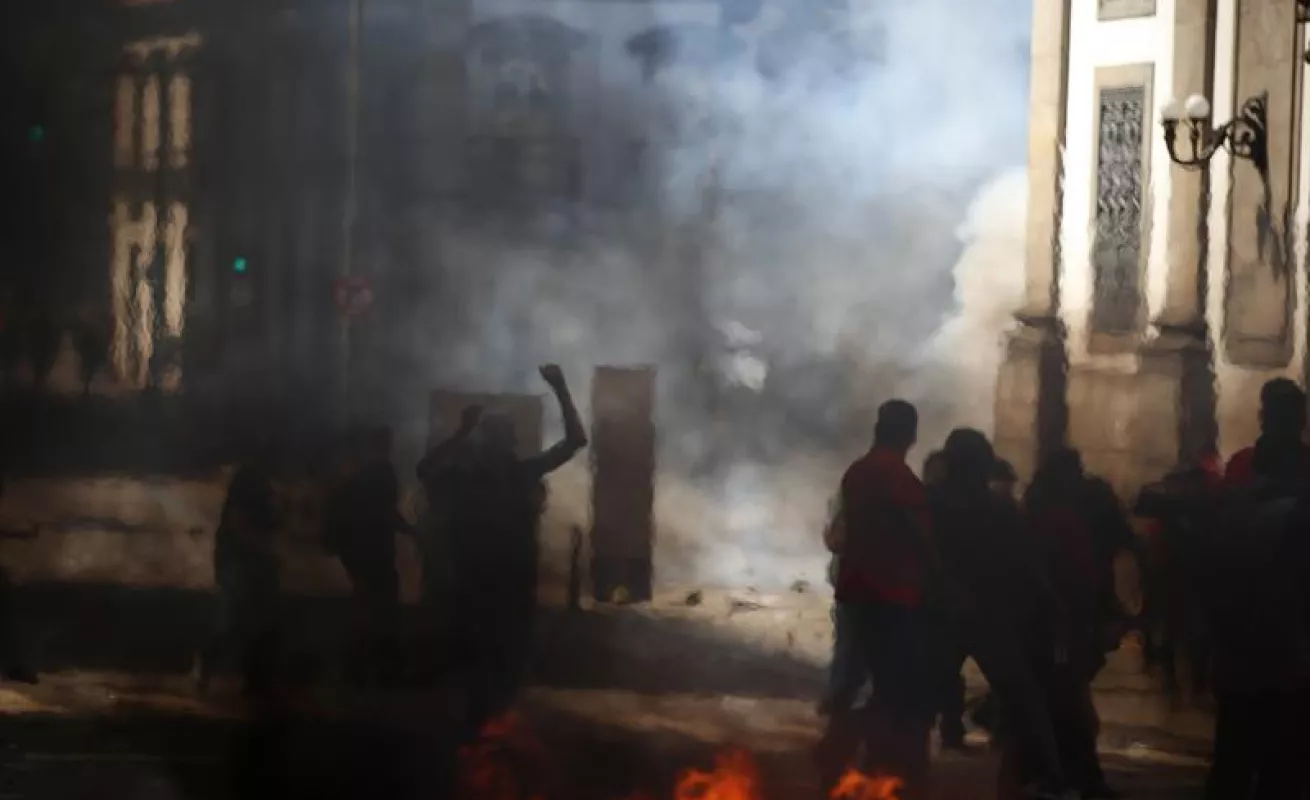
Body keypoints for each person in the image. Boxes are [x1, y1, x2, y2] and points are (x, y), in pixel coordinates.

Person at [422, 365, 588, 736]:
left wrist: (562, 388)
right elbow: (425, 471)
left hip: (502, 588)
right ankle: (478, 741)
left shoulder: (507, 476)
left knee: (500, 669)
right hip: (481, 588)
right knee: (483, 669)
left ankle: (487, 742)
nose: (497, 448)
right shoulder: (483, 477)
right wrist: (461, 433)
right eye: (492, 439)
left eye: (499, 439)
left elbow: (576, 441)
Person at [931, 429, 1072, 800]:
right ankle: (1051, 777)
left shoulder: (930, 504)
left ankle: (885, 770)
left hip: (943, 614)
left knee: (914, 698)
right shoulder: (998, 509)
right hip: (987, 614)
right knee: (1023, 699)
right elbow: (1028, 566)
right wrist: (1051, 604)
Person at [816, 400, 940, 800]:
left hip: (855, 589)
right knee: (893, 685)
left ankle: (835, 758)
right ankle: (880, 766)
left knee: (850, 676)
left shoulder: (857, 472)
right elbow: (919, 535)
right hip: (893, 595)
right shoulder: (900, 478)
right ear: (910, 434)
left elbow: (839, 530)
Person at [1202, 378, 1310, 799]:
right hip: (1285, 645)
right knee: (1282, 766)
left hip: (1241, 640)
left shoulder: (1243, 477)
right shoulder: (1292, 487)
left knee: (1234, 756)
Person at [1024, 449, 1121, 799]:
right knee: (1069, 701)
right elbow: (1075, 573)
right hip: (1062, 623)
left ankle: (1060, 774)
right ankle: (1071, 777)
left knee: (1064, 699)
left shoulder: (1037, 512)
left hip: (1053, 623)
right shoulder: (1060, 519)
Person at [198, 437, 282, 695]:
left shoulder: (255, 480)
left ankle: (246, 677)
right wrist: (262, 548)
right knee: (235, 621)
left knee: (248, 621)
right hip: (241, 559)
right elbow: (239, 522)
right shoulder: (249, 481)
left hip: (245, 558)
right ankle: (212, 668)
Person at [336, 425, 412, 686]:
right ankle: (378, 670)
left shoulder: (361, 475)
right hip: (376, 552)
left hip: (359, 553)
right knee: (381, 610)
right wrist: (413, 532)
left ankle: (356, 669)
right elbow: (387, 512)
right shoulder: (383, 473)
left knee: (367, 606)